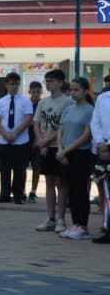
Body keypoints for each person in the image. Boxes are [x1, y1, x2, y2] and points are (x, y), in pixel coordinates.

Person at [33, 69, 72, 232]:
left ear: (60, 82)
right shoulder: (43, 102)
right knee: (49, 182)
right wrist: (42, 143)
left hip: (59, 147)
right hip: (45, 148)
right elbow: (36, 123)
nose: (48, 84)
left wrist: (46, 141)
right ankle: (50, 218)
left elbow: (63, 127)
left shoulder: (68, 102)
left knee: (61, 183)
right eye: (47, 81)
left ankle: (61, 219)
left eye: (51, 81)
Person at [56, 77, 94, 240]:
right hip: (65, 154)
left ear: (85, 91)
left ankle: (83, 226)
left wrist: (66, 150)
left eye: (76, 90)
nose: (73, 93)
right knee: (70, 190)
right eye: (71, 90)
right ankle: (75, 224)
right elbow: (61, 130)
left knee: (80, 191)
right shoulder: (69, 109)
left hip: (81, 154)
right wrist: (60, 150)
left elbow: (86, 136)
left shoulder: (90, 110)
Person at [0, 72, 32, 205]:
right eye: (11, 84)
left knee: (19, 169)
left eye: (16, 84)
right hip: (3, 141)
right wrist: (5, 134)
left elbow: (28, 118)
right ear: (6, 85)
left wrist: (15, 134)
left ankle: (18, 195)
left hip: (21, 141)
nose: (13, 86)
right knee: (4, 169)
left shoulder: (25, 100)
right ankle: (4, 194)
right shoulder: (0, 101)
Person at [88, 81, 110, 244]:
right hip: (102, 148)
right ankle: (107, 228)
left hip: (107, 146)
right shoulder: (103, 98)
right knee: (106, 192)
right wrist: (100, 142)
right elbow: (94, 123)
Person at [26, 80, 44, 202]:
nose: (36, 94)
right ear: (29, 92)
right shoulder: (25, 103)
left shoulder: (42, 104)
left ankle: (33, 191)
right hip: (24, 138)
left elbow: (42, 123)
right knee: (22, 166)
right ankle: (21, 190)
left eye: (38, 92)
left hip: (38, 138)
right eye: (34, 92)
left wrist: (38, 139)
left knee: (36, 167)